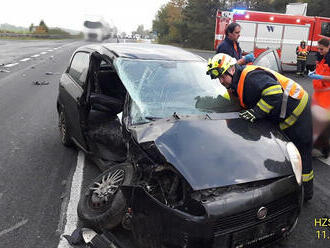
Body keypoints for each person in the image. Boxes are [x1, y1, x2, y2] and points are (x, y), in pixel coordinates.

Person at [206, 53, 314, 201]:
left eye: (222, 76)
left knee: (302, 152)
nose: (221, 81)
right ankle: (290, 183)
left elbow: (274, 93)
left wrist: (256, 112)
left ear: (231, 70)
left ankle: (306, 194)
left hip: (298, 108)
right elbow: (231, 101)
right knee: (286, 149)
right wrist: (209, 104)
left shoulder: (250, 77)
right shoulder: (234, 84)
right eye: (217, 78)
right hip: (283, 113)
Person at [308, 38, 330, 158]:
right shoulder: (322, 57)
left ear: (328, 47)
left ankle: (321, 147)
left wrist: (319, 77)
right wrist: (314, 72)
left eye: (322, 49)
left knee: (320, 123)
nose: (319, 50)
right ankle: (323, 147)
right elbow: (320, 69)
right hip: (319, 95)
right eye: (318, 48)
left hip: (327, 97)